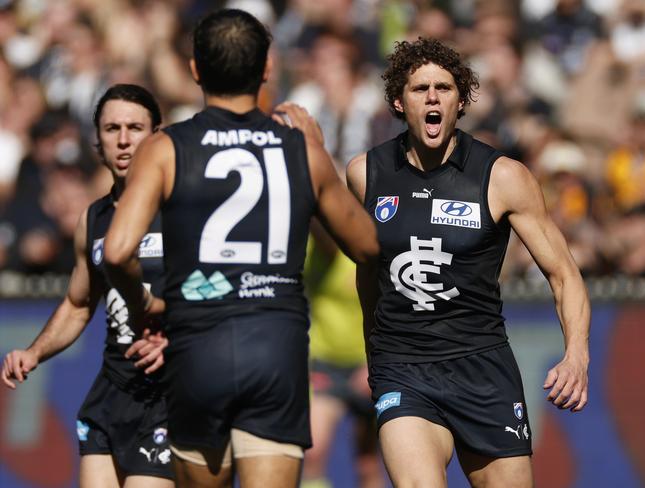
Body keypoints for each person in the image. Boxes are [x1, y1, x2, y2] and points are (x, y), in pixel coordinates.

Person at [101, 9, 378, 488]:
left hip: (196, 349)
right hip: (275, 351)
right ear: (267, 69)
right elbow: (369, 245)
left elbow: (117, 251)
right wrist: (319, 155)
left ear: (194, 70)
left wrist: (145, 306)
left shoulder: (165, 148)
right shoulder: (301, 150)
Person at [346, 38, 591, 487]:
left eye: (444, 88)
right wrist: (373, 350)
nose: (433, 98)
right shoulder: (366, 173)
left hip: (483, 368)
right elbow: (368, 272)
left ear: (462, 101)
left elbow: (564, 274)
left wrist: (576, 357)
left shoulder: (503, 177)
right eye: (420, 89)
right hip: (404, 367)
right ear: (400, 102)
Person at [1, 84, 174, 488]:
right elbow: (79, 305)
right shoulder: (92, 220)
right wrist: (34, 352)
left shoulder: (185, 211)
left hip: (171, 392)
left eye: (136, 127)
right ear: (97, 141)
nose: (125, 140)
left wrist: (178, 335)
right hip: (113, 390)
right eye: (112, 128)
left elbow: (223, 292)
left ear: (158, 137)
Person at [302, 226, 385, 488]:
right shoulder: (310, 252)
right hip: (324, 365)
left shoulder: (371, 253)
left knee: (368, 462)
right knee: (313, 452)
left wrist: (372, 362)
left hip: (368, 366)